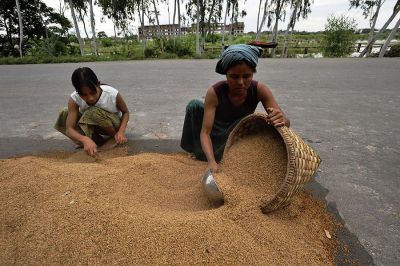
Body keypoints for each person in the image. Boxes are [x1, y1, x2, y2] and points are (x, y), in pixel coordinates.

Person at [180, 44, 290, 173]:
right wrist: (211, 162)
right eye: (234, 77)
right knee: (194, 105)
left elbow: (286, 124)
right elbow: (205, 132)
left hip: (238, 129)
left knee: (254, 123)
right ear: (226, 74)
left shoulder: (260, 90)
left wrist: (280, 118)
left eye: (246, 76)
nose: (240, 82)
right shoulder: (214, 92)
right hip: (216, 125)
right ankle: (197, 151)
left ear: (253, 74)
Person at [54, 67, 129, 156]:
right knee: (64, 113)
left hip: (114, 125)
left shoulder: (111, 93)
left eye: (93, 92)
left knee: (92, 111)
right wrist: (84, 139)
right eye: (83, 95)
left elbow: (126, 112)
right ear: (77, 91)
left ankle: (113, 138)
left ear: (98, 84)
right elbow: (69, 129)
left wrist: (121, 131)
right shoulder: (74, 98)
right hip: (93, 126)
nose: (90, 98)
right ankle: (95, 141)